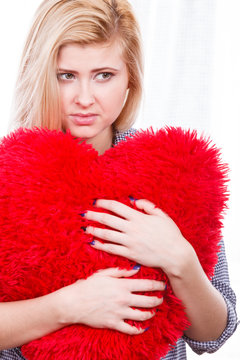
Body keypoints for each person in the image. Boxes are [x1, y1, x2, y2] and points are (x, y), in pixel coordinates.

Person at [0, 0, 238, 359]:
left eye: (104, 75)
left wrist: (180, 259)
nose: (84, 99)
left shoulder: (172, 171)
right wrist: (67, 306)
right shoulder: (9, 173)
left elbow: (212, 336)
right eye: (66, 75)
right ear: (39, 74)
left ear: (130, 79)